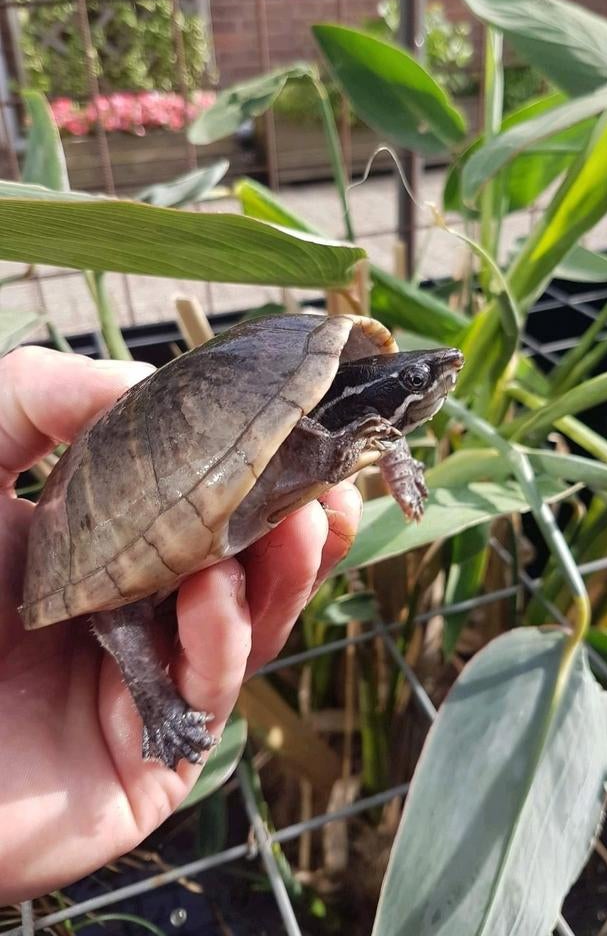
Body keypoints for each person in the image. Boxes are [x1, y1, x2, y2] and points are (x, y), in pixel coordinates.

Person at [0, 346, 363, 905]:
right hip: (103, 543)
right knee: (122, 611)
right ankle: (158, 713)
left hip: (146, 541)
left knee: (199, 600)